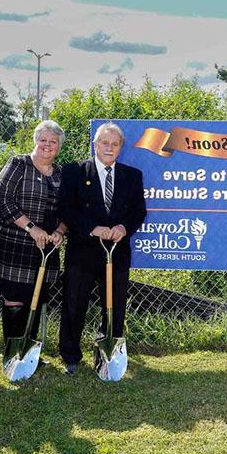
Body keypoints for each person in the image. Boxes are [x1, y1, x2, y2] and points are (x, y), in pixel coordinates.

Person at [58, 122, 146, 375]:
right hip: (82, 250)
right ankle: (71, 355)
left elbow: (139, 211)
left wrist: (123, 227)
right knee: (75, 303)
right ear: (95, 145)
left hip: (117, 252)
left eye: (114, 144)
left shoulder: (132, 176)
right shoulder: (75, 172)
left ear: (120, 148)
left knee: (114, 305)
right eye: (104, 143)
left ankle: (108, 353)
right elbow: (66, 209)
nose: (109, 148)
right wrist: (91, 228)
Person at [0, 120, 66, 341]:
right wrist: (32, 228)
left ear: (59, 146)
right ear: (35, 140)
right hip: (15, 243)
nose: (47, 145)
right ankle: (13, 350)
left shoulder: (61, 173)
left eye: (53, 141)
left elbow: (68, 209)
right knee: (15, 297)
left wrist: (59, 231)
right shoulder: (19, 164)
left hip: (45, 247)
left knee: (36, 297)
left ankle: (29, 350)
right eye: (43, 140)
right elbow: (3, 200)